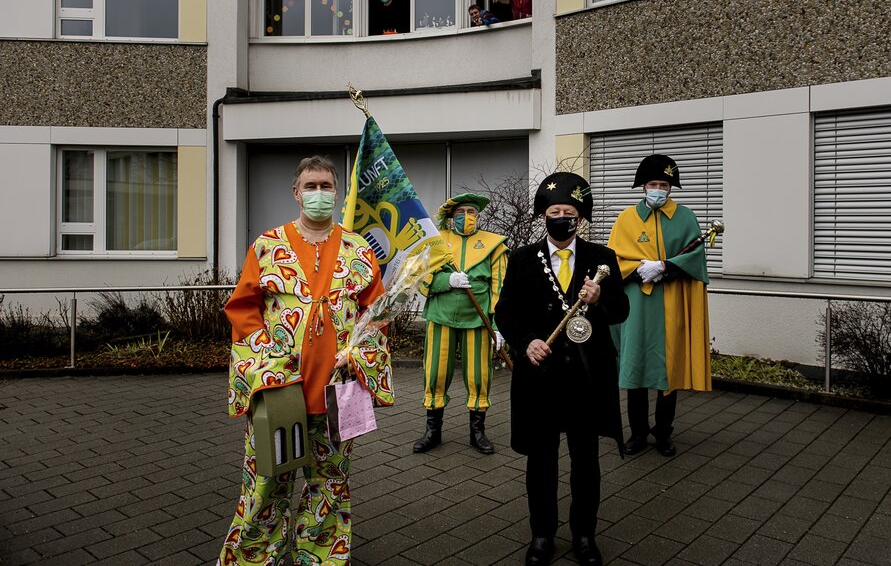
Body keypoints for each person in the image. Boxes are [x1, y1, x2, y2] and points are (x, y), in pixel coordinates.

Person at [218, 155, 393, 566]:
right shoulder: (267, 246)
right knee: (266, 481)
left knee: (330, 482)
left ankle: (321, 556)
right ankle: (256, 556)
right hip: (280, 391)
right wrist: (266, 364)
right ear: (296, 193)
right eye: (310, 186)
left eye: (326, 186)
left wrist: (360, 353)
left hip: (337, 392)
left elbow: (377, 315)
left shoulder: (358, 250)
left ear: (337, 193)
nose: (319, 194)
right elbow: (243, 311)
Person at [495, 172, 629, 566]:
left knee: (586, 459)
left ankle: (584, 535)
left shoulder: (601, 259)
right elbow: (506, 310)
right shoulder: (521, 258)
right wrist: (525, 342)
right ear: (543, 215)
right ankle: (542, 535)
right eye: (554, 211)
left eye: (569, 212)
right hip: (540, 376)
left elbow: (621, 310)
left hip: (587, 378)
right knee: (541, 459)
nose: (561, 217)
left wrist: (601, 296)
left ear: (580, 217)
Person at [608, 154, 711, 458]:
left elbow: (696, 259)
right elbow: (611, 259)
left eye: (663, 184)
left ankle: (663, 432)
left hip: (671, 302)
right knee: (635, 366)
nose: (657, 189)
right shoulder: (626, 218)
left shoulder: (686, 217)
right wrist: (636, 268)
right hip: (636, 304)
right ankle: (638, 433)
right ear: (643, 186)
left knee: (670, 368)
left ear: (671, 188)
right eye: (652, 183)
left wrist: (665, 266)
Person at [414, 193, 509, 454]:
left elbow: (500, 288)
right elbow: (421, 279)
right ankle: (433, 430)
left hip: (477, 321)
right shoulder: (436, 242)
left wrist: (498, 325)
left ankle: (477, 432)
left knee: (479, 376)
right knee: (435, 372)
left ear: (479, 216)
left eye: (472, 211)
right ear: (450, 215)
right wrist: (447, 281)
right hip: (441, 317)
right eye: (460, 211)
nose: (466, 216)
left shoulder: (495, 245)